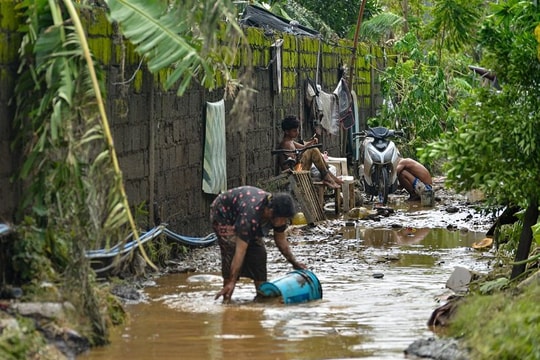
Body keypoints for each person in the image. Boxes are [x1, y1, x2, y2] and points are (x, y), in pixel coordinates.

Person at [211, 186, 307, 303]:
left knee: (259, 255)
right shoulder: (251, 215)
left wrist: (295, 263)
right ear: (271, 211)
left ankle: (262, 297)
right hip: (224, 214)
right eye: (282, 219)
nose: (284, 223)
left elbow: (281, 242)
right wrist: (232, 281)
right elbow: (240, 251)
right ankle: (227, 299)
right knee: (231, 249)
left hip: (246, 216)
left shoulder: (278, 215)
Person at [277, 115, 343, 189]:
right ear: (287, 132)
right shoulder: (286, 143)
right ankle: (327, 177)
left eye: (297, 130)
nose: (297, 133)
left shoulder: (290, 141)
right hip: (294, 173)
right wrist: (305, 151)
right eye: (294, 131)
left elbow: (303, 147)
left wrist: (312, 142)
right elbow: (293, 162)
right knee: (313, 150)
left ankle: (330, 176)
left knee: (313, 149)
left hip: (298, 168)